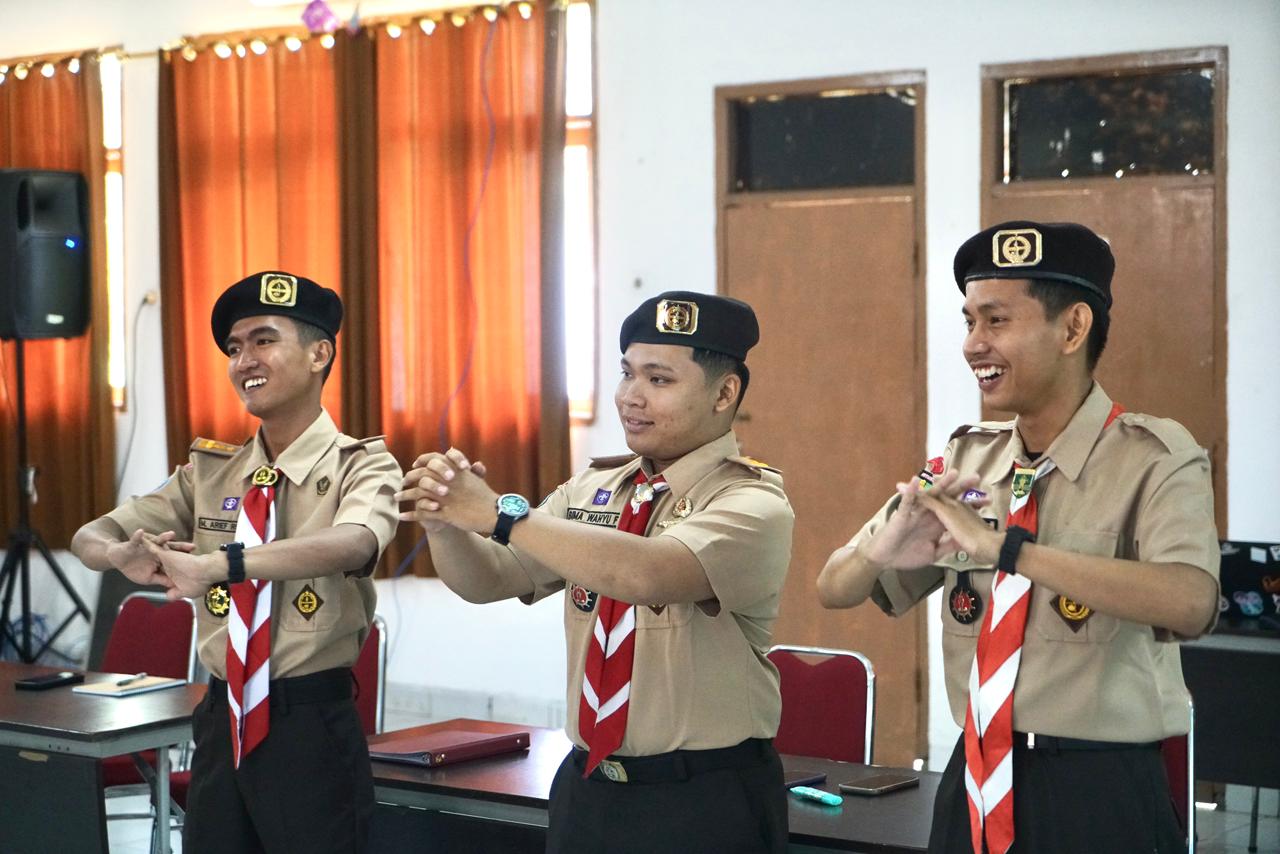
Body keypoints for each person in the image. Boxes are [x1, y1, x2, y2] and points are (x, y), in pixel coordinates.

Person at [816, 221, 1219, 854]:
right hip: (973, 780)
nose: (973, 345)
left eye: (996, 321)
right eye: (969, 322)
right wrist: (878, 550)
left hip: (1096, 791)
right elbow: (832, 588)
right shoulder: (966, 460)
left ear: (1073, 328)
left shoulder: (1155, 459)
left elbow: (1191, 603)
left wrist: (1008, 550)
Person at [398, 290, 795, 853]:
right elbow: (491, 578)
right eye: (627, 373)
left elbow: (645, 574)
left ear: (724, 393)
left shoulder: (752, 502)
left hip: (702, 798)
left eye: (659, 380)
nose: (631, 396)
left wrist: (498, 514)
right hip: (588, 789)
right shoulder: (594, 488)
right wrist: (445, 523)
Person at [72, 271, 401, 853]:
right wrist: (120, 554)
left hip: (309, 726)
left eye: (264, 340)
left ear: (320, 354)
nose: (245, 360)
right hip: (221, 720)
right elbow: (89, 536)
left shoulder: (362, 464)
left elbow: (353, 542)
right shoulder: (212, 472)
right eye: (234, 347)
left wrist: (223, 565)